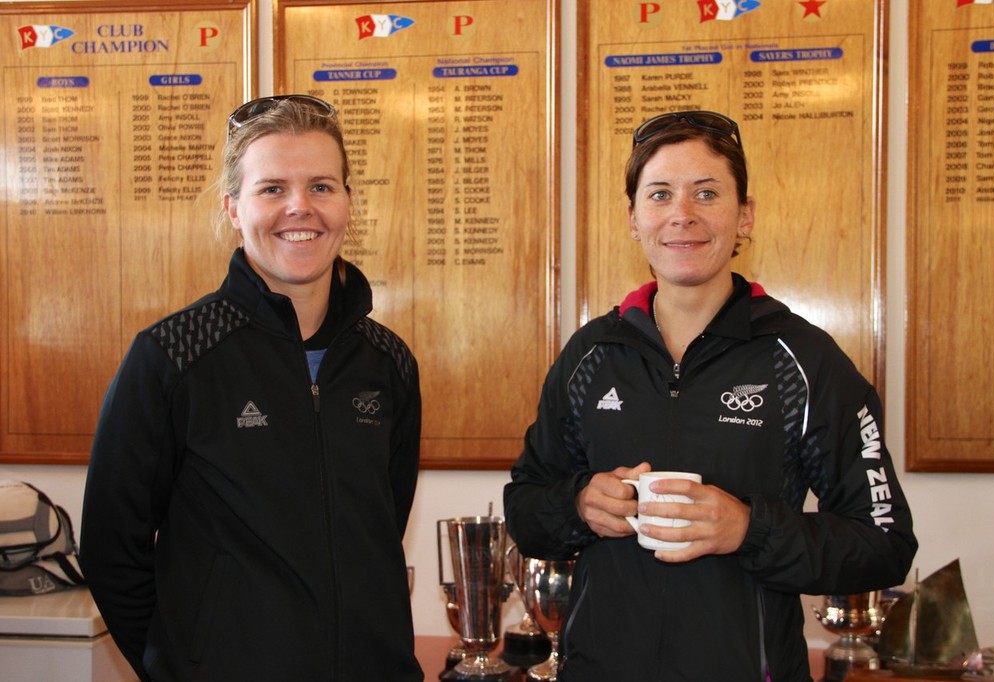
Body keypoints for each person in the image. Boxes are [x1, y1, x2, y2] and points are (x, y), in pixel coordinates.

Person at [503, 111, 916, 681]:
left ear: (745, 216)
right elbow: (525, 507)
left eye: (706, 193)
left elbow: (884, 541)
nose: (682, 215)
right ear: (633, 218)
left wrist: (751, 529)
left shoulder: (802, 359)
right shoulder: (590, 355)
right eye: (660, 195)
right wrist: (578, 505)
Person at [80, 95, 423, 682]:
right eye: (271, 189)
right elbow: (113, 550)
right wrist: (183, 664)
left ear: (347, 204)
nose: (300, 208)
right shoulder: (171, 355)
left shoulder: (387, 362)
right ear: (233, 208)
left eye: (321, 186)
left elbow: (382, 526)